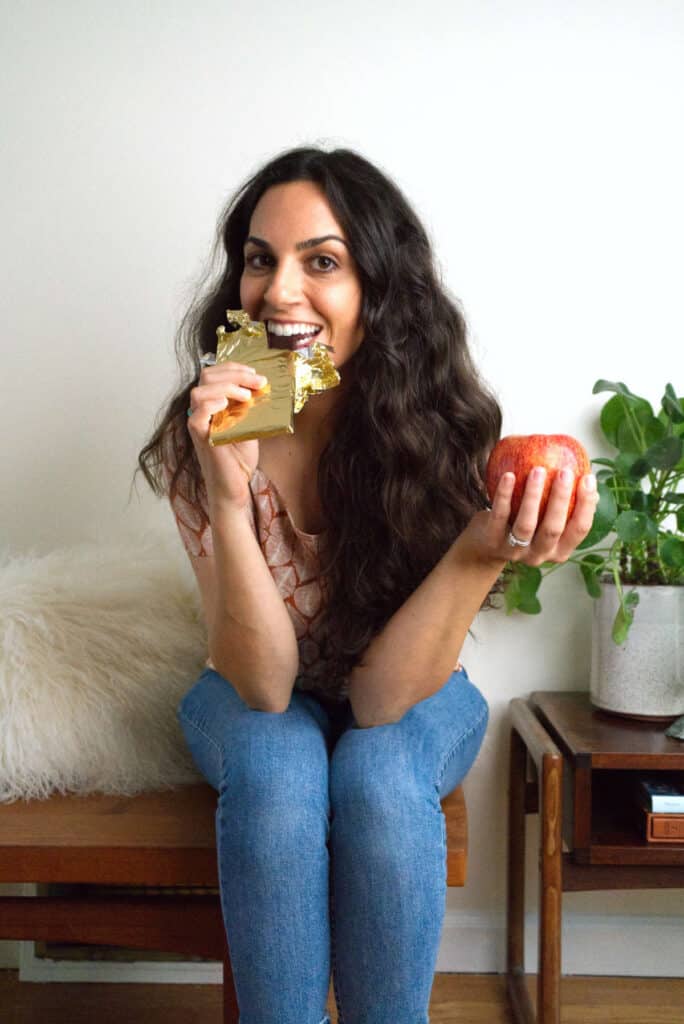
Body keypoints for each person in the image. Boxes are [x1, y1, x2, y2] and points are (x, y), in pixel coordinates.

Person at [136, 146, 597, 1024]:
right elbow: (265, 688)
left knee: (379, 773)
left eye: (323, 262)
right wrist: (230, 504)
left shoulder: (441, 430)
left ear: (378, 291)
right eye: (260, 259)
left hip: (412, 693)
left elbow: (385, 701)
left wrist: (480, 549)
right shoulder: (206, 433)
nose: (278, 292)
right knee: (277, 763)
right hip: (255, 689)